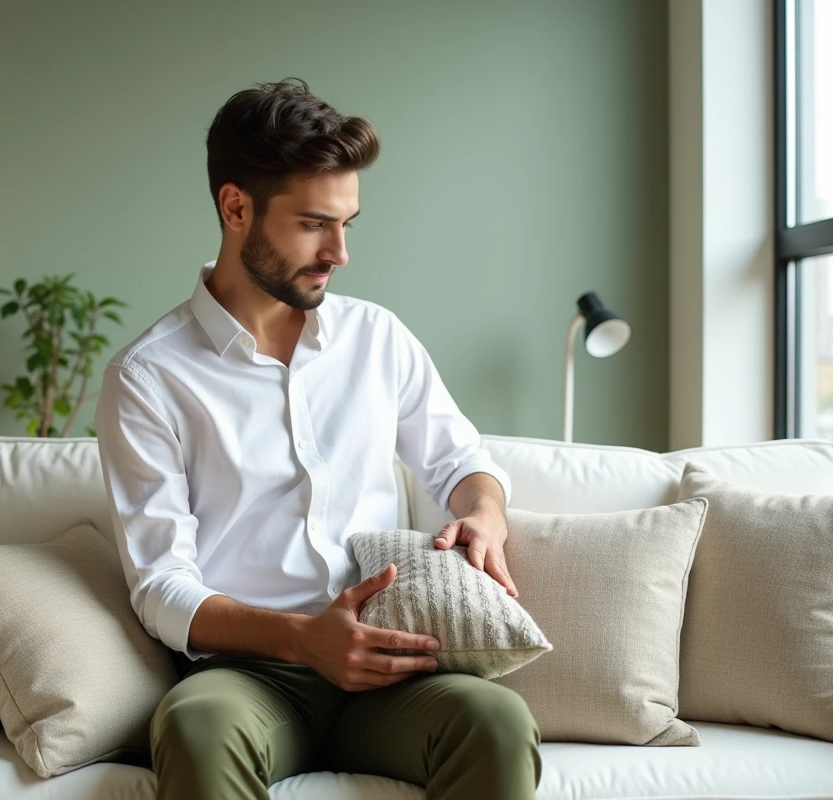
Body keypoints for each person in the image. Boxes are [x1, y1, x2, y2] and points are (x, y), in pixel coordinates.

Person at [95, 78, 541, 800]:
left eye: (348, 224)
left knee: (496, 721)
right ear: (236, 207)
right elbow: (160, 587)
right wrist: (303, 640)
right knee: (195, 726)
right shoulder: (149, 377)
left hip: (393, 669)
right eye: (313, 224)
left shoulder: (378, 338)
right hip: (251, 677)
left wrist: (484, 511)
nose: (339, 252)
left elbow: (463, 462)